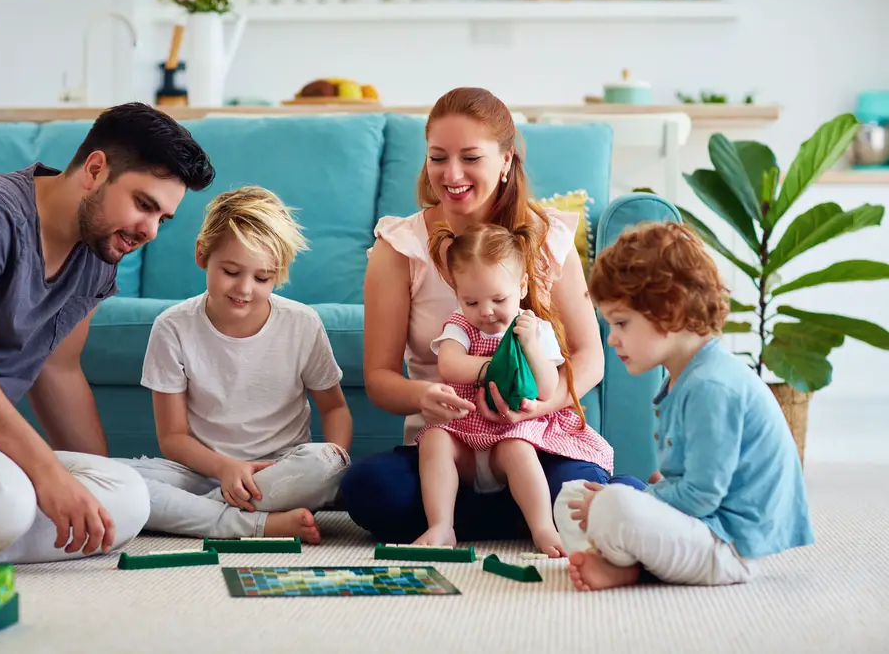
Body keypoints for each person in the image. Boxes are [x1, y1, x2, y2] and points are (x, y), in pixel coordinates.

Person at [340, 87, 643, 544]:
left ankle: (501, 515)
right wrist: (426, 395)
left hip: (534, 439)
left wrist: (545, 404)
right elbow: (380, 378)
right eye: (438, 157)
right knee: (366, 491)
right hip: (452, 446)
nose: (452, 174)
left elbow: (589, 357)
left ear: (505, 160)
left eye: (470, 157)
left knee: (603, 491)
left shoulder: (546, 238)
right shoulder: (399, 248)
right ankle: (521, 516)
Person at [0, 102, 216, 563]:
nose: (151, 231)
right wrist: (49, 476)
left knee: (126, 499)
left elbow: (58, 372)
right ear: (96, 170)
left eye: (163, 218)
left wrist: (90, 482)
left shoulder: (98, 255)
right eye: (144, 205)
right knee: (5, 498)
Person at [553, 221, 815, 591]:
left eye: (621, 323)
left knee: (615, 504)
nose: (611, 339)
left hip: (727, 546)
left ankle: (629, 567)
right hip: (703, 529)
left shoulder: (712, 386)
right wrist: (654, 491)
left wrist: (640, 497)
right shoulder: (687, 376)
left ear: (670, 310)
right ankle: (620, 561)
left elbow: (703, 496)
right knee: (574, 497)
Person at [117, 186, 352, 544]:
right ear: (202, 254)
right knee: (109, 477)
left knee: (324, 463)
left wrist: (336, 464)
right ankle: (256, 524)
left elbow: (334, 408)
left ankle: (195, 515)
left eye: (262, 278)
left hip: (281, 475)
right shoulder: (172, 327)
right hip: (201, 471)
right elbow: (173, 438)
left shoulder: (302, 323)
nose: (244, 289)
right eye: (230, 271)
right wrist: (226, 469)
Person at [412, 222, 615, 556]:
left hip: (513, 434)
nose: (486, 311)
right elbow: (449, 365)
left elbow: (548, 389)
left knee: (518, 447)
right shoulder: (460, 325)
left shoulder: (535, 328)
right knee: (433, 439)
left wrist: (531, 349)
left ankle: (542, 527)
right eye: (471, 301)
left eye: (498, 298)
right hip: (465, 433)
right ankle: (441, 525)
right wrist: (496, 368)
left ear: (521, 286)